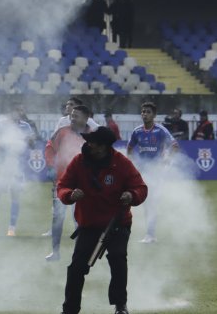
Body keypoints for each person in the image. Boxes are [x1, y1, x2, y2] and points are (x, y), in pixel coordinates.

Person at [57, 126, 148, 314]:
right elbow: (63, 186)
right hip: (88, 224)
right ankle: (70, 309)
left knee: (117, 258)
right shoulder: (79, 161)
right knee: (76, 268)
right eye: (89, 142)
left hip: (117, 222)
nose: (89, 145)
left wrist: (131, 195)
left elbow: (140, 187)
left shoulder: (122, 163)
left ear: (104, 147)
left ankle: (120, 305)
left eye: (94, 143)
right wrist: (70, 194)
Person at [45, 104, 93, 261]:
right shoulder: (62, 132)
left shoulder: (93, 136)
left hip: (83, 185)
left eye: (76, 116)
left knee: (80, 219)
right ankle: (55, 252)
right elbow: (50, 148)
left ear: (86, 118)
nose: (72, 118)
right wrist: (51, 165)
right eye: (72, 115)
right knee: (57, 217)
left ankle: (80, 254)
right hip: (62, 182)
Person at [126, 102, 178, 244]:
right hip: (141, 173)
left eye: (148, 112)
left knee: (151, 202)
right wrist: (132, 162)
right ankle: (149, 233)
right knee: (144, 203)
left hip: (155, 172)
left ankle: (151, 234)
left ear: (154, 115)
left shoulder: (160, 131)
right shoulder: (137, 131)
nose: (145, 114)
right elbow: (130, 148)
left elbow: (174, 146)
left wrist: (167, 159)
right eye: (143, 112)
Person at [0, 110, 35, 237]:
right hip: (1, 166)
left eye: (19, 112)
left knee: (15, 197)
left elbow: (32, 144)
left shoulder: (25, 126)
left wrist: (29, 140)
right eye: (13, 112)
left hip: (17, 166)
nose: (16, 115)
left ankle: (11, 229)